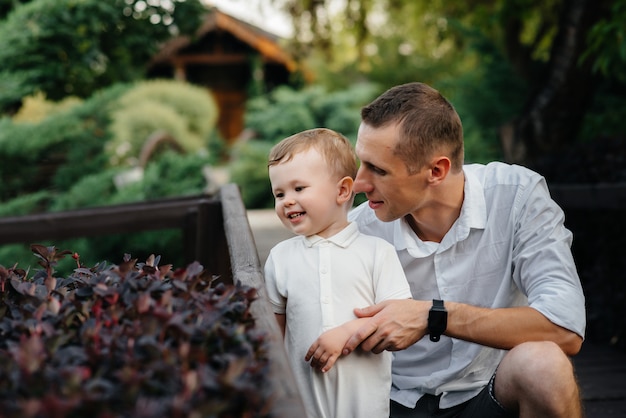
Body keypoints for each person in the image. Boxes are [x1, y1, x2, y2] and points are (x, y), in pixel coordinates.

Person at [311, 82, 586, 418]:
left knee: (544, 366)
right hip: (388, 403)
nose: (359, 183)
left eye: (378, 170)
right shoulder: (356, 231)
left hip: (487, 393)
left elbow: (565, 328)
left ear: (436, 171)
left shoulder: (517, 197)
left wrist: (434, 316)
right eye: (362, 163)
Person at [264, 128, 413, 418]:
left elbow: (397, 315)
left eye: (299, 188)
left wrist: (346, 332)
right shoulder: (280, 258)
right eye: (279, 194)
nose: (287, 201)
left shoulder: (376, 252)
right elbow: (273, 329)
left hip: (363, 400)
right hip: (302, 400)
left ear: (343, 190)